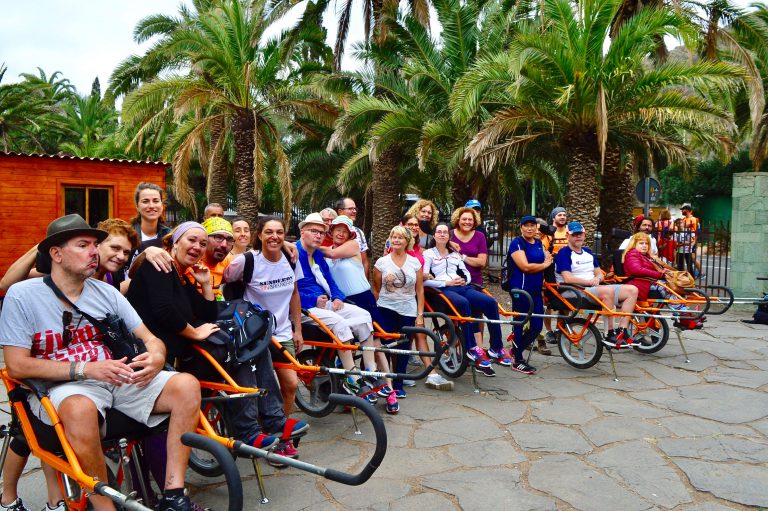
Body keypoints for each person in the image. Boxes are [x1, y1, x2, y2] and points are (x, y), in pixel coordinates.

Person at [0, 214, 201, 511]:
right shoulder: (23, 295)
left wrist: (157, 357)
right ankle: (104, 506)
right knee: (79, 407)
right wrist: (85, 369)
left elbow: (151, 338)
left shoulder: (106, 291)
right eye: (83, 245)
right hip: (63, 388)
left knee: (186, 384)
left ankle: (174, 494)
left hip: (115, 377)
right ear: (55, 254)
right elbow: (17, 366)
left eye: (95, 245)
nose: (94, 252)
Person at [127, 222, 307, 459]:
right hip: (164, 354)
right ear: (175, 241)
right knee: (240, 348)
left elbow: (207, 312)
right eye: (192, 240)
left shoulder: (182, 275)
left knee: (253, 342)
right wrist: (194, 332)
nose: (198, 247)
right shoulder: (160, 266)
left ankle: (272, 419)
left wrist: (204, 284)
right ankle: (250, 429)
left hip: (185, 349)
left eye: (202, 243)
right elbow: (163, 310)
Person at [223, 216, 311, 460]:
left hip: (282, 331)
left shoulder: (291, 259)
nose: (274, 236)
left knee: (290, 384)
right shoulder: (246, 261)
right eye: (269, 232)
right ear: (259, 235)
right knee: (259, 385)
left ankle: (279, 434)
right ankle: (264, 435)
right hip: (255, 335)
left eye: (280, 232)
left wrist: (298, 329)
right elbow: (224, 284)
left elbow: (294, 293)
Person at [295, 214, 396, 409]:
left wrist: (338, 296)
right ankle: (351, 376)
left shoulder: (318, 253)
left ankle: (370, 371)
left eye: (321, 232)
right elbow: (290, 291)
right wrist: (313, 300)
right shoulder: (294, 253)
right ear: (302, 232)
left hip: (333, 301)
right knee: (340, 323)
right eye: (313, 231)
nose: (318, 235)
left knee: (365, 317)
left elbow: (330, 280)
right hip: (307, 306)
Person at [319, 216, 399, 394]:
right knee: (347, 344)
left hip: (363, 298)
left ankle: (389, 389)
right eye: (337, 229)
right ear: (331, 231)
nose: (340, 233)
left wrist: (304, 244)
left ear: (350, 234)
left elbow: (331, 254)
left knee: (377, 346)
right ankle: (357, 388)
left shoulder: (352, 246)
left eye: (345, 230)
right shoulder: (326, 251)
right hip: (343, 301)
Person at [424, 223, 511, 377]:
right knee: (463, 304)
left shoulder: (455, 254)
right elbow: (424, 280)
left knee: (490, 302)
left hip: (463, 287)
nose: (442, 234)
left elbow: (466, 273)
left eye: (445, 232)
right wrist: (446, 283)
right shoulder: (428, 254)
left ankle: (496, 348)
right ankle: (471, 348)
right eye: (439, 232)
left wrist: (464, 280)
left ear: (449, 236)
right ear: (434, 235)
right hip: (443, 289)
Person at [555, 221, 639, 347]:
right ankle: (609, 333)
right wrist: (590, 281)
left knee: (632, 290)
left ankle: (622, 329)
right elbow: (567, 278)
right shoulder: (564, 253)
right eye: (575, 234)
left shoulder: (588, 252)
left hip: (593, 288)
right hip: (573, 290)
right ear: (568, 236)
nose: (578, 236)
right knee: (607, 291)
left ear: (584, 235)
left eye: (580, 234)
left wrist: (598, 278)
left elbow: (600, 274)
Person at [0, 219, 139, 295]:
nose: (121, 256)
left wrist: (147, 254)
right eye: (115, 248)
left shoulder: (112, 277)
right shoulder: (69, 269)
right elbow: (6, 284)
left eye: (126, 252)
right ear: (97, 245)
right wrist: (42, 246)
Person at [372, 226, 425, 402]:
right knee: (386, 346)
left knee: (404, 347)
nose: (396, 240)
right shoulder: (381, 262)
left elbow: (420, 290)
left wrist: (420, 315)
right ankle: (387, 384)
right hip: (386, 307)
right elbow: (377, 289)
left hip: (408, 308)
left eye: (400, 238)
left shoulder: (414, 263)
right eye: (393, 237)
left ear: (407, 241)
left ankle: (399, 384)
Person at [622, 233, 701, 332]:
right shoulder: (632, 254)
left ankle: (685, 314)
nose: (644, 245)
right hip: (639, 284)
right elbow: (637, 270)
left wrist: (665, 271)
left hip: (646, 282)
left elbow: (657, 268)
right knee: (666, 287)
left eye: (646, 243)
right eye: (641, 243)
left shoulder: (646, 256)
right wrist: (659, 274)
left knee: (674, 286)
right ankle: (683, 315)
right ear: (634, 244)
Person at [507, 216, 555, 369]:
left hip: (535, 291)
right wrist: (545, 264)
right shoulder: (517, 243)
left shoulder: (539, 243)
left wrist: (547, 260)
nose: (529, 228)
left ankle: (515, 351)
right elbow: (525, 267)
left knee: (536, 326)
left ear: (537, 228)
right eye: (526, 225)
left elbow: (547, 257)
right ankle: (518, 361)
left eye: (532, 225)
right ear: (521, 228)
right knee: (519, 324)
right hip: (520, 290)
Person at [541, 206, 568, 344]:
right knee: (548, 302)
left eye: (564, 215)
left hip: (566, 270)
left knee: (565, 300)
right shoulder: (549, 233)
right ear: (553, 217)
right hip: (551, 269)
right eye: (559, 215)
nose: (562, 217)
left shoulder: (569, 232)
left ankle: (560, 329)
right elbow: (544, 250)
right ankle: (549, 330)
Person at [128, 182, 172, 267]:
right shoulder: (127, 234)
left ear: (162, 205)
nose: (151, 205)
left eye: (156, 201)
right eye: (145, 201)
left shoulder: (170, 236)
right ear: (137, 206)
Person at [335, 198, 369, 276]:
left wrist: (365, 284)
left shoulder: (359, 232)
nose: (354, 211)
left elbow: (365, 262)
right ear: (340, 211)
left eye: (355, 209)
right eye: (350, 209)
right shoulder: (330, 232)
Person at [681, 203, 704, 278]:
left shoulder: (694, 219)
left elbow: (697, 232)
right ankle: (692, 273)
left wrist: (694, 243)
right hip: (685, 242)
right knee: (689, 258)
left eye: (683, 209)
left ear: (687, 210)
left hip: (692, 242)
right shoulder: (684, 219)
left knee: (693, 258)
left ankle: (702, 273)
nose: (682, 211)